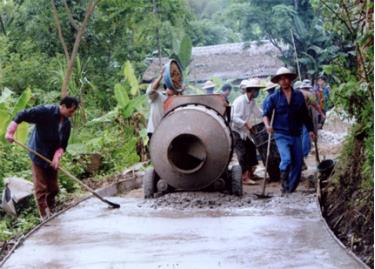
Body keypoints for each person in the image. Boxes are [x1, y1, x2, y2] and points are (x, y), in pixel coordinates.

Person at [5, 96, 80, 220]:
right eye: (70, 111)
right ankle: (45, 216)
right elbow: (22, 114)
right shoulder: (45, 111)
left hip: (51, 157)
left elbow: (62, 145)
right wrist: (10, 131)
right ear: (62, 106)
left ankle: (52, 208)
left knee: (54, 188)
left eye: (73, 111)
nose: (71, 114)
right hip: (38, 152)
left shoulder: (66, 124)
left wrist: (57, 157)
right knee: (41, 187)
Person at [263, 67, 316, 194]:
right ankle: (284, 184)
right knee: (286, 159)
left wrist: (310, 130)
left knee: (298, 163)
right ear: (278, 82)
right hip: (281, 133)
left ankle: (290, 190)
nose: (284, 81)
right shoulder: (274, 97)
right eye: (281, 79)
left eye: (286, 78)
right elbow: (266, 114)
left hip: (296, 133)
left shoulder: (299, 96)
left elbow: (305, 115)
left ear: (290, 80)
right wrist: (267, 125)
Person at [232, 78, 264, 185]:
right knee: (242, 153)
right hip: (236, 130)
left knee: (251, 148)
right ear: (251, 90)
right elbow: (234, 118)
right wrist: (246, 124)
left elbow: (259, 113)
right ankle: (244, 177)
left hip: (244, 132)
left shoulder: (252, 102)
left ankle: (251, 173)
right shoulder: (240, 101)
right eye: (257, 90)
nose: (258, 92)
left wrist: (267, 113)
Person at [146, 68, 182, 140]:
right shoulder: (157, 96)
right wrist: (161, 76)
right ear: (167, 87)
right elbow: (151, 90)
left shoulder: (177, 99)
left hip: (167, 132)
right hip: (155, 131)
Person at [299, 80, 325, 168]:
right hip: (304, 117)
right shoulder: (309, 94)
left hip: (296, 119)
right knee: (307, 134)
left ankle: (301, 155)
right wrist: (321, 114)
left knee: (301, 135)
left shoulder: (297, 93)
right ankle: (303, 155)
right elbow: (316, 105)